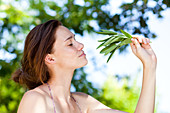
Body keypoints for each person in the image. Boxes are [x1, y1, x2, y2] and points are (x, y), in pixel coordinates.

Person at [12, 20, 157, 113]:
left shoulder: (82, 102)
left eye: (76, 39)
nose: (80, 45)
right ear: (50, 58)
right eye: (70, 44)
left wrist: (149, 65)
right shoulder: (36, 99)